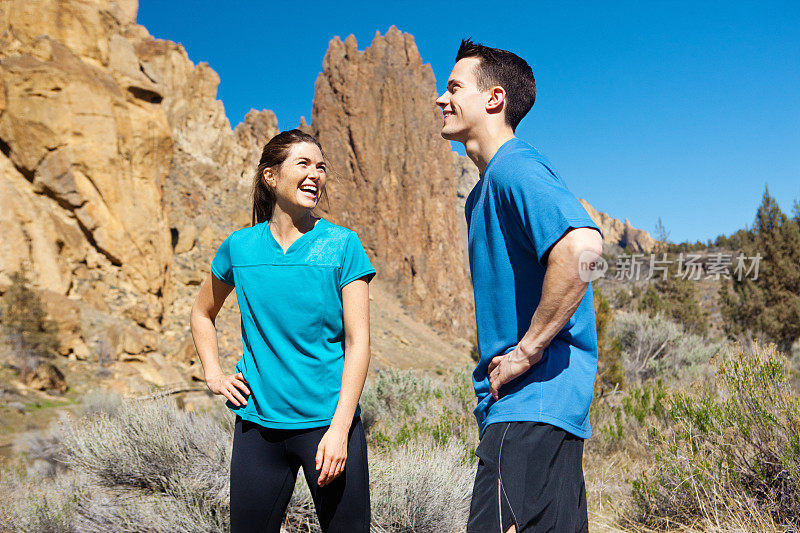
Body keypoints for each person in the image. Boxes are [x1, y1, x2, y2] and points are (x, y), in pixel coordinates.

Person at [436, 40, 605, 532]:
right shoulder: (487, 189)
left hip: (528, 408)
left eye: (453, 87)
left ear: (494, 99)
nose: (440, 99)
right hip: (547, 413)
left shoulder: (514, 166)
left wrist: (526, 352)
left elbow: (584, 249)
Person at [190, 130, 374, 533]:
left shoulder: (343, 245)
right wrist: (214, 374)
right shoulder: (240, 247)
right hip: (258, 430)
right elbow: (202, 313)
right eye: (303, 164)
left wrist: (340, 429)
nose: (316, 175)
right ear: (271, 177)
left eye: (321, 167)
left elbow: (359, 343)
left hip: (327, 427)